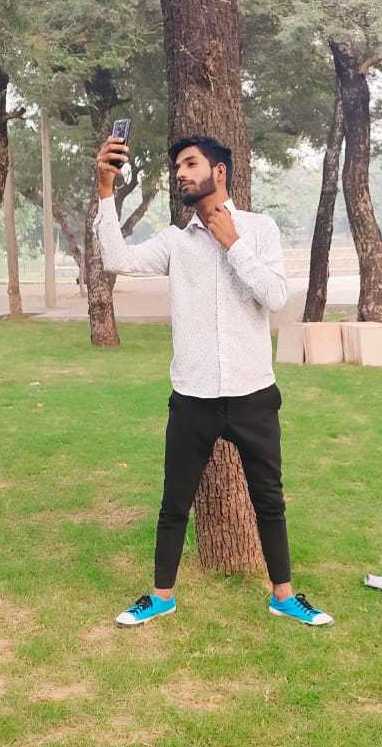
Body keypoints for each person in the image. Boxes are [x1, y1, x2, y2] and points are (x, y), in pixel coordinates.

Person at [94, 132, 333, 629]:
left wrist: (233, 244)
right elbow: (117, 260)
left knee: (270, 500)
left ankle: (284, 596)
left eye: (189, 164)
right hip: (193, 399)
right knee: (173, 504)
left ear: (218, 171)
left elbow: (276, 298)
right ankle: (161, 597)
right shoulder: (176, 242)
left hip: (253, 395)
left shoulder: (260, 229)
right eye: (177, 168)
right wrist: (105, 191)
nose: (181, 174)